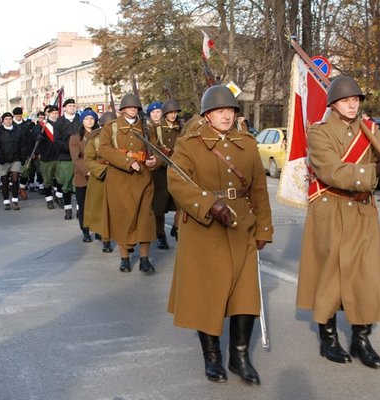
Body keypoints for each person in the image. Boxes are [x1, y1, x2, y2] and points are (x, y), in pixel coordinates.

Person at [296, 76, 380, 369]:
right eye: (347, 100)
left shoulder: (370, 129)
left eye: (356, 100)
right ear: (334, 104)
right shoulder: (319, 133)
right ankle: (329, 338)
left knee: (366, 276)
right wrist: (376, 171)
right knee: (331, 277)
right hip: (331, 208)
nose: (352, 104)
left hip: (362, 210)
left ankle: (361, 339)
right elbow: (332, 171)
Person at [167, 85, 273, 385]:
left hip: (242, 225)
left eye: (230, 111)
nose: (226, 116)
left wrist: (264, 227)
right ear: (207, 115)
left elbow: (258, 190)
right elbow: (178, 182)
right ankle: (211, 357)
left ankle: (239, 357)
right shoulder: (189, 144)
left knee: (245, 294)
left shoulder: (248, 144)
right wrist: (209, 204)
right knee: (208, 294)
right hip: (205, 228)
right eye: (219, 111)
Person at [98, 94, 158, 273]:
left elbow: (155, 150)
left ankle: (145, 259)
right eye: (130, 107)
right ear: (122, 109)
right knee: (122, 219)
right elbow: (103, 149)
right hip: (119, 180)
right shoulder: (111, 127)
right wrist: (126, 161)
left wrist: (154, 162)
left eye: (136, 107)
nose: (133, 109)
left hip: (143, 179)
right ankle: (124, 258)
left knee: (145, 219)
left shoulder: (147, 128)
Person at [150, 99, 182, 248]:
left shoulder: (181, 129)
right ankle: (160, 234)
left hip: (177, 170)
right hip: (160, 171)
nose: (173, 115)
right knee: (159, 207)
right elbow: (154, 147)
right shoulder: (156, 129)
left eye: (175, 112)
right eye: (170, 113)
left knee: (182, 203)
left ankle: (177, 227)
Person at [83, 111, 116, 253]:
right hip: (100, 180)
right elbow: (88, 160)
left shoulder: (121, 139)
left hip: (120, 179)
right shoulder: (94, 141)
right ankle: (106, 240)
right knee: (102, 212)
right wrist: (104, 169)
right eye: (107, 126)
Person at [69, 109, 99, 242]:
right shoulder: (76, 137)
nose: (89, 121)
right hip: (83, 176)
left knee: (98, 204)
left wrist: (98, 170)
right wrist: (87, 171)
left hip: (98, 174)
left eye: (92, 118)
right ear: (82, 121)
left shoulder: (101, 135)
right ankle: (85, 230)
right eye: (86, 119)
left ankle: (99, 229)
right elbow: (76, 158)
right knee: (84, 206)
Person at [54, 98, 81, 219]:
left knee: (79, 184)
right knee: (66, 185)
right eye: (70, 105)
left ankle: (79, 209)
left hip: (79, 157)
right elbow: (57, 140)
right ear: (64, 107)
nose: (72, 107)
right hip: (65, 157)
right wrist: (69, 148)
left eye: (73, 105)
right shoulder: (59, 122)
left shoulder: (79, 120)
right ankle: (68, 209)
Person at [0, 112, 26, 210]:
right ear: (3, 120)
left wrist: (23, 157)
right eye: (6, 119)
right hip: (3, 159)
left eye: (10, 119)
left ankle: (15, 200)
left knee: (15, 179)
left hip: (16, 158)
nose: (8, 121)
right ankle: (6, 201)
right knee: (5, 180)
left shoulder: (17, 130)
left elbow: (23, 144)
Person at [36, 105, 61, 209]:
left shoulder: (61, 123)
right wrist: (38, 136)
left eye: (56, 113)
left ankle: (59, 197)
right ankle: (49, 199)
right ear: (48, 114)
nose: (55, 115)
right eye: (53, 113)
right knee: (47, 180)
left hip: (59, 155)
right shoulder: (42, 125)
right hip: (47, 156)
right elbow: (36, 135)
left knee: (60, 179)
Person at [12, 107, 35, 200]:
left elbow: (30, 140)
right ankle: (15, 189)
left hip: (25, 152)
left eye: (20, 116)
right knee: (15, 173)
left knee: (25, 172)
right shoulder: (11, 124)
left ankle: (22, 188)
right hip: (13, 153)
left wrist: (32, 152)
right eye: (17, 116)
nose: (18, 118)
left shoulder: (26, 125)